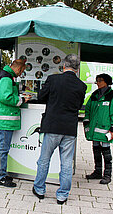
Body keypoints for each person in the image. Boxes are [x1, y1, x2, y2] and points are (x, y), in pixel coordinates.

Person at [32, 54, 86, 205]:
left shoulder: (53, 79)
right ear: (77, 68)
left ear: (64, 65)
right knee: (67, 163)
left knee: (44, 160)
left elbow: (41, 96)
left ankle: (40, 189)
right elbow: (78, 105)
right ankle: (62, 195)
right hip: (69, 128)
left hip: (52, 126)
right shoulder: (82, 85)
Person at [0, 59, 30, 187]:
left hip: (3, 118)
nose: (21, 73)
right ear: (18, 68)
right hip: (6, 119)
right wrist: (22, 99)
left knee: (0, 147)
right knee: (3, 148)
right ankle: (1, 177)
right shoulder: (7, 78)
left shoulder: (5, 76)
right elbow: (5, 97)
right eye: (22, 71)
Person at [84, 73, 113, 184]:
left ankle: (107, 175)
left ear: (107, 82)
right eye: (97, 80)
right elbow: (88, 110)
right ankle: (97, 172)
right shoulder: (94, 95)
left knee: (106, 151)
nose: (98, 82)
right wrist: (87, 124)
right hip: (94, 130)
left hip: (106, 131)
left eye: (100, 80)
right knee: (96, 149)